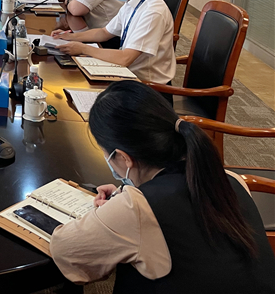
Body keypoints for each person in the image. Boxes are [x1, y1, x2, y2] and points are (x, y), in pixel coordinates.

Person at [49, 81, 275, 292]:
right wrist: (123, 198)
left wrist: (117, 211)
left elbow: (67, 252)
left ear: (124, 157)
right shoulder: (228, 178)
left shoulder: (138, 207)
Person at [51, 0, 176, 85]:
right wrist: (70, 37)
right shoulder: (133, 0)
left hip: (146, 86)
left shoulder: (152, 12)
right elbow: (104, 32)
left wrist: (83, 48)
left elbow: (125, 58)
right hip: (126, 74)